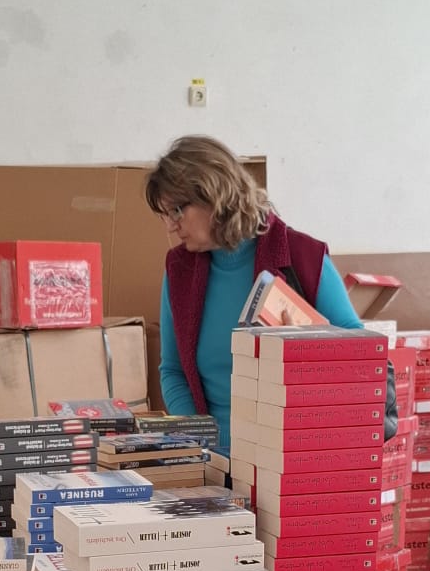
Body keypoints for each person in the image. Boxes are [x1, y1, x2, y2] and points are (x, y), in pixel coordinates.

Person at [147, 136, 381, 454]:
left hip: (293, 457)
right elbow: (172, 370)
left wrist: (310, 344)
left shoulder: (302, 256)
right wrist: (204, 446)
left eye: (177, 210)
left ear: (214, 195)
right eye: (165, 215)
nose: (171, 226)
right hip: (215, 462)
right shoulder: (180, 269)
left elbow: (363, 356)